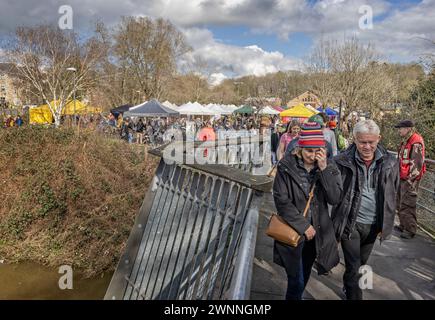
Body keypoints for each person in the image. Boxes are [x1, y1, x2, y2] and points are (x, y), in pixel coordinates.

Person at [273, 122, 342, 300]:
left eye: (317, 150)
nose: (312, 155)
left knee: (304, 273)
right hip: (294, 230)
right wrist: (304, 226)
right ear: (300, 148)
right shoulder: (286, 166)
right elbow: (281, 200)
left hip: (316, 233)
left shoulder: (329, 167)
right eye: (308, 151)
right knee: (295, 279)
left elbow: (335, 198)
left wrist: (325, 169)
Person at [331, 120, 399, 300]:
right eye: (362, 142)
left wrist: (386, 222)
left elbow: (393, 193)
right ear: (354, 139)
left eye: (371, 142)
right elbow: (332, 191)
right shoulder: (341, 161)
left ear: (379, 139)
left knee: (361, 264)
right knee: (354, 266)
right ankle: (354, 295)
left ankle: (348, 286)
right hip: (350, 223)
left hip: (373, 225)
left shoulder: (390, 163)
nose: (367, 146)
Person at [395, 120, 426, 239]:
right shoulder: (407, 140)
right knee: (400, 201)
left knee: (408, 203)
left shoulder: (415, 141)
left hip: (410, 179)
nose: (399, 131)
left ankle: (410, 229)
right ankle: (403, 224)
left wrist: (410, 181)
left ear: (408, 128)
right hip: (403, 176)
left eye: (401, 128)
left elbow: (417, 164)